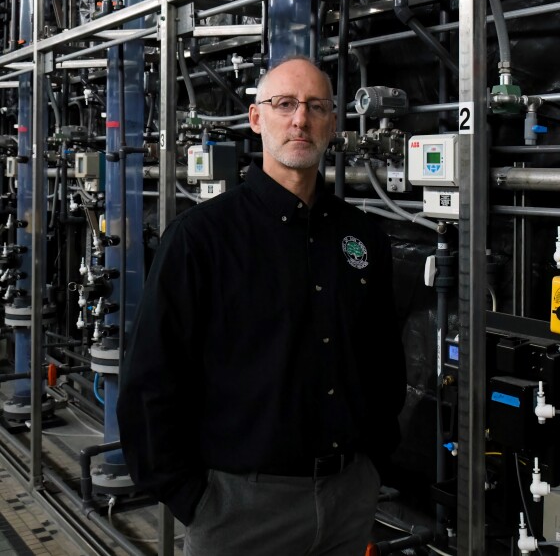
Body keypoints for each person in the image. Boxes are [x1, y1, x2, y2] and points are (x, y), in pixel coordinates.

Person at [117, 56, 408, 556]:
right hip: (239, 510)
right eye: (284, 104)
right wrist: (193, 497)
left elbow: (385, 359)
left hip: (347, 503)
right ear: (257, 119)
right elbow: (150, 379)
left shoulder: (362, 237)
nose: (300, 119)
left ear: (333, 123)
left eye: (316, 106)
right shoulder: (200, 238)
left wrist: (371, 466)